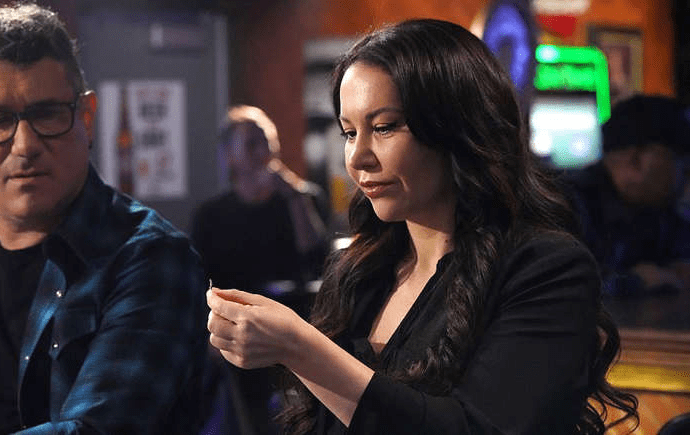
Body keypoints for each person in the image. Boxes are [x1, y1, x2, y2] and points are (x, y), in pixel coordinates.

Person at [206, 19, 638, 434]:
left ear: (458, 127)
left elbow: (478, 429)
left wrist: (299, 348)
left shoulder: (544, 269)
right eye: (349, 133)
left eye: (384, 127)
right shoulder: (359, 271)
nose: (358, 158)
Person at [0, 4, 208, 434]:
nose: (24, 145)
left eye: (47, 114)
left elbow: (98, 429)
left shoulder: (151, 258)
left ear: (85, 117)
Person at [192, 105, 329, 435]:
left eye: (266, 141)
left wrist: (294, 198)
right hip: (240, 330)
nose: (261, 152)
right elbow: (200, 281)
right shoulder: (212, 215)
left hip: (297, 323)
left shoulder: (303, 199)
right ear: (230, 155)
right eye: (250, 143)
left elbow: (318, 259)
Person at [564, 94, 690, 297]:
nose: (684, 175)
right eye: (680, 162)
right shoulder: (564, 204)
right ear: (637, 160)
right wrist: (633, 282)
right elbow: (551, 287)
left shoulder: (658, 213)